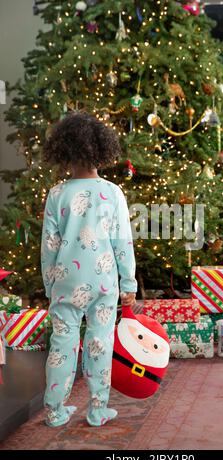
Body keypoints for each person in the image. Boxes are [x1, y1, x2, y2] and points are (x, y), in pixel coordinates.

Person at [41, 113, 137, 427]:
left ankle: (55, 411)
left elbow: (49, 247)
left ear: (65, 151)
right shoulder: (113, 193)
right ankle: (97, 410)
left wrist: (49, 285)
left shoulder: (57, 194)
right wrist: (129, 283)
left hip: (65, 281)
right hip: (104, 282)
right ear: (101, 150)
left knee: (62, 343)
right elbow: (123, 242)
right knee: (99, 342)